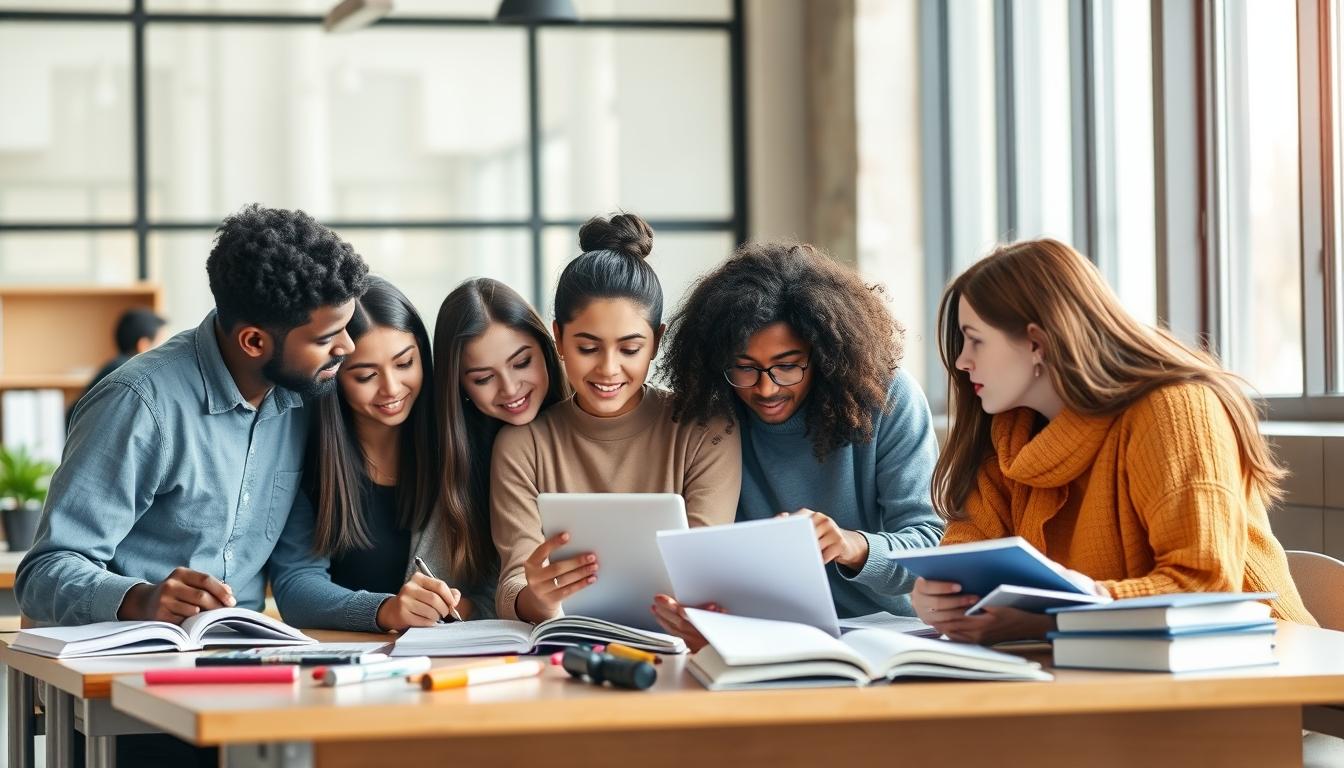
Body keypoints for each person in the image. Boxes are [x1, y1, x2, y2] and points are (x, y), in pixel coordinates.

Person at [16, 204, 368, 765]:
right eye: (328, 336)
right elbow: (44, 572)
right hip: (127, 696)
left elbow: (297, 573)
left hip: (242, 688)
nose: (348, 348)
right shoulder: (140, 404)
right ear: (254, 341)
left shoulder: (299, 398)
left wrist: (382, 610)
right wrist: (140, 598)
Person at [911, 238, 1315, 644]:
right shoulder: (1009, 438)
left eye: (975, 339)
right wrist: (939, 598)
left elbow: (1203, 585)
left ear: (1036, 343)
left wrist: (1052, 618)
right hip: (1095, 669)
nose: (962, 361)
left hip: (1251, 671)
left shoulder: (1175, 410)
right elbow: (963, 558)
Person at [650, 242, 943, 647]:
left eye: (787, 366)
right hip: (758, 635)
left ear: (824, 355)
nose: (766, 388)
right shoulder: (712, 409)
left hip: (882, 637)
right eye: (745, 368)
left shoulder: (888, 399)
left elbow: (930, 546)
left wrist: (853, 546)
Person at [491, 213, 742, 624]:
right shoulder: (523, 446)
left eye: (629, 349)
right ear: (559, 338)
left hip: (676, 643)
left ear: (657, 342)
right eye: (589, 347)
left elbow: (701, 572)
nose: (609, 369)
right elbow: (515, 584)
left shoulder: (706, 430)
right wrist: (538, 596)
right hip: (564, 644)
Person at [67, 307, 169, 431]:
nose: (166, 350)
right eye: (162, 343)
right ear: (143, 345)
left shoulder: (114, 366)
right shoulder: (130, 376)